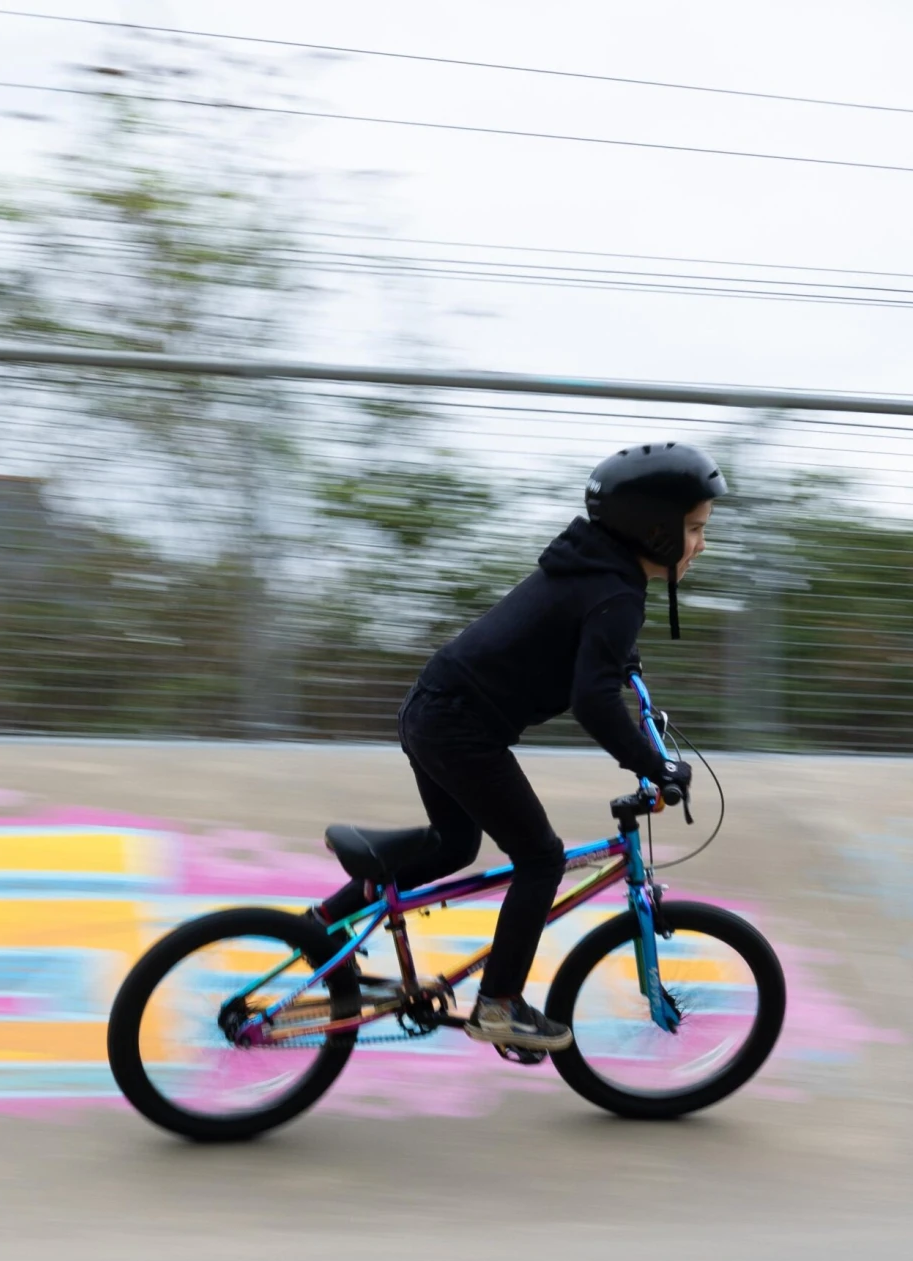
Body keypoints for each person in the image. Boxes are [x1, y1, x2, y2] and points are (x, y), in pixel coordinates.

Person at [307, 441, 727, 1054]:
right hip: (459, 727)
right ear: (654, 528)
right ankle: (499, 1005)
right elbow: (593, 700)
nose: (702, 544)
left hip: (432, 709)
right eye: (694, 529)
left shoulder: (594, 567)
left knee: (456, 845)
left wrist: (636, 690)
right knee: (541, 859)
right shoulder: (616, 592)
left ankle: (322, 926)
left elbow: (593, 647)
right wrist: (654, 762)